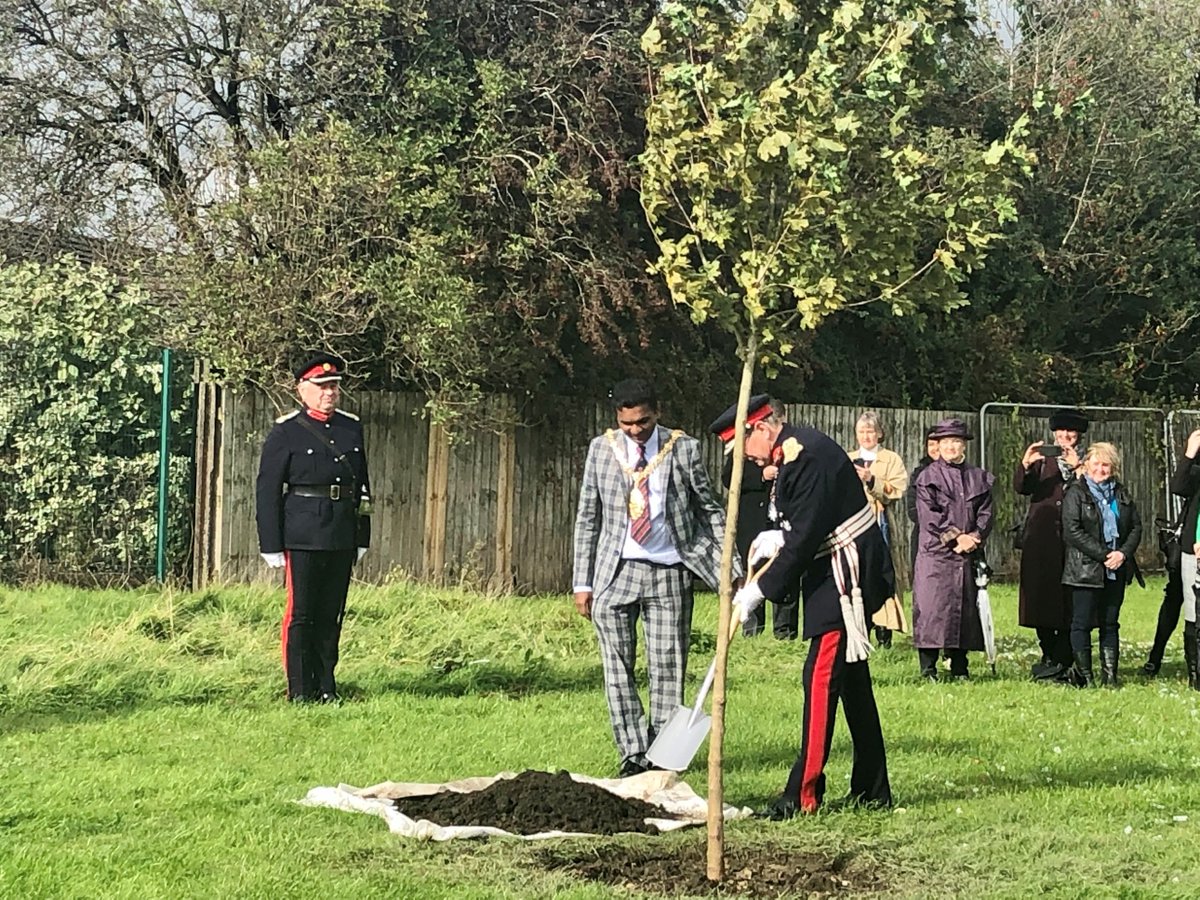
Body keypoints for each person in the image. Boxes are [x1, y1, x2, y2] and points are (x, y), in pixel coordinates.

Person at [719, 396, 893, 818]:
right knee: (852, 684)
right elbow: (799, 521)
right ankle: (873, 790)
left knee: (819, 678)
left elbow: (806, 536)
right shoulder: (789, 454)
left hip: (845, 572)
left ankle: (803, 795)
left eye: (743, 446)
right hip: (830, 566)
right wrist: (774, 536)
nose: (745, 457)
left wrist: (761, 589)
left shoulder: (805, 455)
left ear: (761, 428)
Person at [572, 378, 736, 777]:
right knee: (617, 668)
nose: (634, 430)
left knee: (667, 665)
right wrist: (582, 583)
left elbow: (710, 510)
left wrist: (731, 567)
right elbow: (587, 518)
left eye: (642, 422)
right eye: (626, 423)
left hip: (669, 572)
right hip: (615, 574)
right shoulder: (601, 450)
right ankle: (632, 754)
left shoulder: (683, 449)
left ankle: (661, 757)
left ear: (657, 413)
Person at [256, 353, 372, 703]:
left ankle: (326, 686)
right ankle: (299, 690)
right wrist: (271, 544)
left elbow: (362, 487)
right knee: (302, 614)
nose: (329, 393)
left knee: (331, 614)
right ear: (302, 390)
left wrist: (362, 534)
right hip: (303, 533)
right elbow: (268, 490)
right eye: (321, 386)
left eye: (333, 386)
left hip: (341, 532)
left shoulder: (351, 428)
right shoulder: (286, 431)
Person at [911, 418, 994, 682]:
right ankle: (928, 669)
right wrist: (956, 538)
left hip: (966, 555)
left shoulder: (978, 477)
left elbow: (987, 513)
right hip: (935, 553)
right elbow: (929, 516)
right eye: (946, 442)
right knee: (931, 609)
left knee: (964, 610)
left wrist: (975, 537)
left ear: (964, 446)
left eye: (956, 442)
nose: (950, 447)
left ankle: (960, 667)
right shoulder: (927, 477)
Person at [1061, 442, 1143, 687]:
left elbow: (1136, 527)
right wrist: (1106, 554)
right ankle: (1085, 677)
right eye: (1096, 464)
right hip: (1085, 569)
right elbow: (1072, 531)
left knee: (1110, 623)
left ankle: (1110, 676)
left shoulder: (1122, 493)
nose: (1100, 469)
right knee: (1081, 623)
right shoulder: (1076, 493)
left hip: (1116, 569)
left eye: (1105, 464)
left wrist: (1123, 554)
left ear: (1113, 467)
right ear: (1086, 465)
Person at [1013, 408, 1086, 682]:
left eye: (1071, 431)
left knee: (1069, 601)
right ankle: (1048, 653)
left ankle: (1064, 656)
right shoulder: (1044, 460)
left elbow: (1093, 490)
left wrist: (1078, 468)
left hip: (1074, 542)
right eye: (1061, 431)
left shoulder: (1088, 458)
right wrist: (1026, 464)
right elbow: (1022, 487)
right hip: (1041, 539)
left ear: (1079, 434)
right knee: (1039, 598)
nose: (1065, 436)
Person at [723, 398, 798, 639]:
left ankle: (785, 632)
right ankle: (751, 629)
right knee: (752, 571)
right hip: (754, 521)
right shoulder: (744, 444)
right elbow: (729, 477)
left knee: (786, 571)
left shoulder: (793, 445)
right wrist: (761, 474)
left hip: (783, 520)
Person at [848, 411, 908, 647]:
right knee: (857, 573)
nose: (866, 436)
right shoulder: (848, 458)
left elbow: (898, 489)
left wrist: (872, 480)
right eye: (862, 432)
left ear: (879, 434)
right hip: (854, 524)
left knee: (882, 573)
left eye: (870, 431)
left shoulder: (891, 459)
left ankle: (884, 631)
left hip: (881, 522)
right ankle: (860, 629)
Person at [1152, 428, 1200, 686]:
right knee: (1187, 605)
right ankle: (1195, 673)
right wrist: (1190, 453)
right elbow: (1179, 487)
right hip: (1193, 545)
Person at [905, 427, 940, 576]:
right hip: (925, 536)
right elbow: (913, 509)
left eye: (938, 443)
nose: (935, 448)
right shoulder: (919, 474)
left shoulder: (963, 474)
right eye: (931, 444)